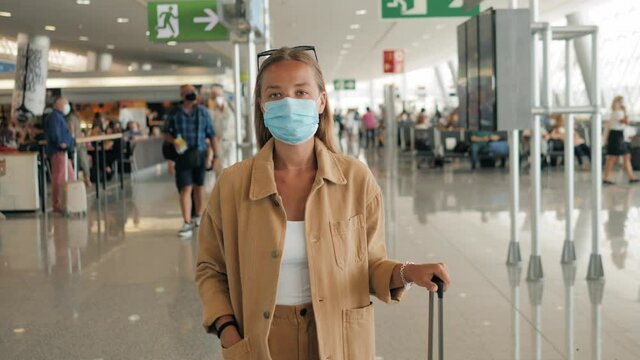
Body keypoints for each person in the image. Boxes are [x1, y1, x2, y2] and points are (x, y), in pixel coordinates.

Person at [195, 46, 451, 360]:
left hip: (338, 337)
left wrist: (408, 272)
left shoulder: (355, 179)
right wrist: (228, 330)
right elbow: (210, 268)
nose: (288, 103)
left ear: (321, 101)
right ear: (261, 105)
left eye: (301, 92)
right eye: (275, 95)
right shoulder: (234, 184)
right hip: (261, 341)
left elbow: (369, 266)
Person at [164, 84, 221, 237]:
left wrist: (216, 156)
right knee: (185, 188)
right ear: (182, 95)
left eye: (193, 92)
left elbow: (212, 135)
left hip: (200, 154)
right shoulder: (175, 113)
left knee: (199, 186)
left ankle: (198, 216)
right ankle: (187, 221)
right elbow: (165, 133)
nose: (192, 95)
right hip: (182, 156)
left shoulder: (203, 112)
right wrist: (175, 140)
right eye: (189, 93)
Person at [44, 97, 75, 213]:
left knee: (69, 176)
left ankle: (68, 201)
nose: (67, 106)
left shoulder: (59, 117)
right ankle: (57, 204)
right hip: (58, 151)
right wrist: (61, 143)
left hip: (63, 152)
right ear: (58, 104)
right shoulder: (54, 117)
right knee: (60, 177)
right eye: (65, 103)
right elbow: (55, 133)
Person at [603, 96, 639, 185]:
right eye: (621, 102)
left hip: (619, 136)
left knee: (626, 156)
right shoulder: (618, 113)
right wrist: (626, 112)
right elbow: (626, 122)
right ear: (617, 103)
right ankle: (606, 178)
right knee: (612, 158)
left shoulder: (616, 113)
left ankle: (631, 177)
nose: (622, 104)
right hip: (616, 137)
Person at [208, 86, 238, 168]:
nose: (216, 99)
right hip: (218, 144)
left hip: (231, 142)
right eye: (213, 97)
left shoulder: (231, 109)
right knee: (220, 168)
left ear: (223, 97)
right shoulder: (211, 113)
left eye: (218, 96)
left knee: (231, 166)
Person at [67, 103, 92, 187]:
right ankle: (84, 179)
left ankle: (85, 179)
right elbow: (72, 130)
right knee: (80, 161)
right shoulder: (71, 118)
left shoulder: (75, 118)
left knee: (81, 161)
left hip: (78, 142)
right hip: (76, 143)